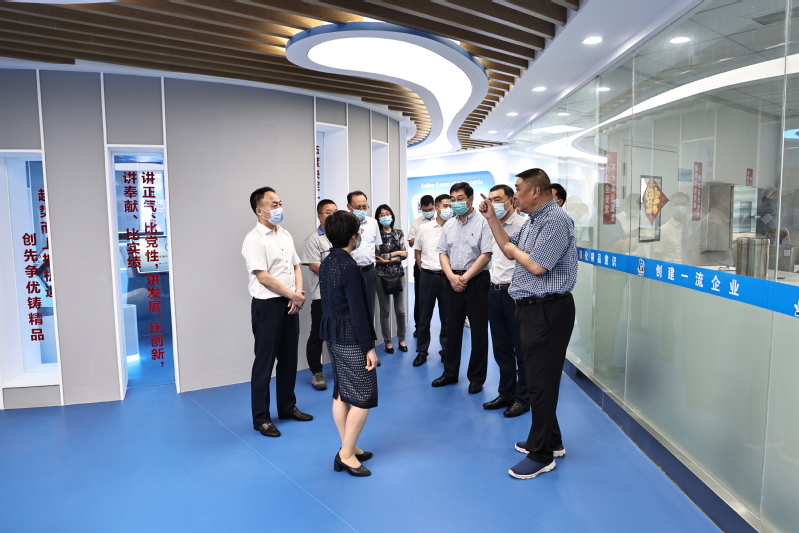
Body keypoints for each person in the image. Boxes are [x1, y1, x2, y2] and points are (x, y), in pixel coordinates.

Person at [479, 168, 577, 480]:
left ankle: (541, 454)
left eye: (518, 188)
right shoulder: (534, 221)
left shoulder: (556, 221)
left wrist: (514, 251)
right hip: (530, 309)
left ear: (535, 191)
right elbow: (508, 248)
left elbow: (537, 266)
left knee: (541, 382)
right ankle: (553, 440)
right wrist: (491, 219)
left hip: (548, 310)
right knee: (537, 378)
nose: (515, 195)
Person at [242, 187, 313, 439]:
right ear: (259, 210)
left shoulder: (285, 234)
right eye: (273, 204)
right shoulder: (253, 239)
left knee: (288, 359)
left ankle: (287, 407)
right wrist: (292, 294)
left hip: (290, 303)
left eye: (280, 203)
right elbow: (263, 277)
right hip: (268, 306)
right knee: (264, 363)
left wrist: (298, 293)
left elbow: (296, 265)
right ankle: (261, 419)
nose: (279, 208)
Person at [319, 210, 379, 477]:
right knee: (364, 397)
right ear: (354, 236)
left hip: (332, 334)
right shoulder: (350, 267)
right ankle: (345, 455)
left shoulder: (327, 262)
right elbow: (358, 311)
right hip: (351, 338)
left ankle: (348, 446)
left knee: (342, 392)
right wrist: (369, 347)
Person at [432, 182, 493, 394]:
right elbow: (442, 252)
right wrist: (451, 276)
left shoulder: (484, 222)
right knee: (452, 328)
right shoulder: (449, 225)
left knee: (478, 331)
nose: (456, 203)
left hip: (476, 280)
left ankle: (476, 377)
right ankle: (450, 373)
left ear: (470, 199)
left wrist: (464, 278)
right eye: (453, 199)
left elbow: (486, 254)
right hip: (452, 280)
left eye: (460, 199)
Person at [482, 184, 529, 418]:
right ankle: (506, 393)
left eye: (498, 199)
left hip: (515, 293)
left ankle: (523, 398)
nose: (493, 204)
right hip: (495, 291)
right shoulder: (490, 224)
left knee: (521, 348)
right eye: (491, 199)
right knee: (501, 347)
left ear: (511, 200)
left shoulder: (523, 225)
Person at [412, 194, 452, 367]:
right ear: (437, 208)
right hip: (427, 276)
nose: (449, 209)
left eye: (451, 206)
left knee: (447, 318)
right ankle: (422, 352)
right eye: (445, 206)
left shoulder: (455, 228)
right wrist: (423, 270)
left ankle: (446, 351)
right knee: (424, 317)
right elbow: (417, 251)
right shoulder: (424, 228)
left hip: (447, 278)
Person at [303, 199, 337, 391]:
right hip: (322, 297)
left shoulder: (340, 236)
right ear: (319, 216)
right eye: (328, 212)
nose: (333, 216)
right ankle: (316, 372)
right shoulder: (313, 239)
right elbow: (316, 267)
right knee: (318, 335)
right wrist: (341, 272)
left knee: (338, 332)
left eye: (335, 212)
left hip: (340, 295)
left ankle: (340, 367)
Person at [374, 204, 408, 354]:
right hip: (380, 276)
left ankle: (401, 339)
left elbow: (404, 254)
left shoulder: (399, 233)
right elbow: (377, 257)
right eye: (381, 215)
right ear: (377, 218)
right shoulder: (376, 235)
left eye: (387, 214)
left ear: (392, 216)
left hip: (398, 275)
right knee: (385, 311)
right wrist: (396, 254)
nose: (385, 217)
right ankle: (388, 342)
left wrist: (388, 258)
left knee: (400, 311)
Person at [347, 190, 381, 319]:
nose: (362, 210)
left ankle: (369, 333)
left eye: (364, 207)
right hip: (350, 272)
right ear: (349, 207)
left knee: (369, 310)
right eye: (358, 207)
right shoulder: (344, 224)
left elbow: (376, 246)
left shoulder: (373, 223)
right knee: (351, 310)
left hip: (369, 271)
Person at [408, 195, 436, 338]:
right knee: (420, 298)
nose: (428, 212)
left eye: (430, 209)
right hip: (421, 266)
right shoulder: (417, 222)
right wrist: (422, 235)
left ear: (434, 207)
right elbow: (411, 242)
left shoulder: (442, 220)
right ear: (421, 208)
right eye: (425, 210)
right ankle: (419, 327)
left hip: (440, 266)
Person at [653, 192, 689, 263]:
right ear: (670, 207)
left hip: (691, 267)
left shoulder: (693, 226)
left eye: (683, 204)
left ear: (688, 206)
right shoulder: (662, 230)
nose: (679, 207)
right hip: (672, 268)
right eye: (676, 204)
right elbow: (657, 256)